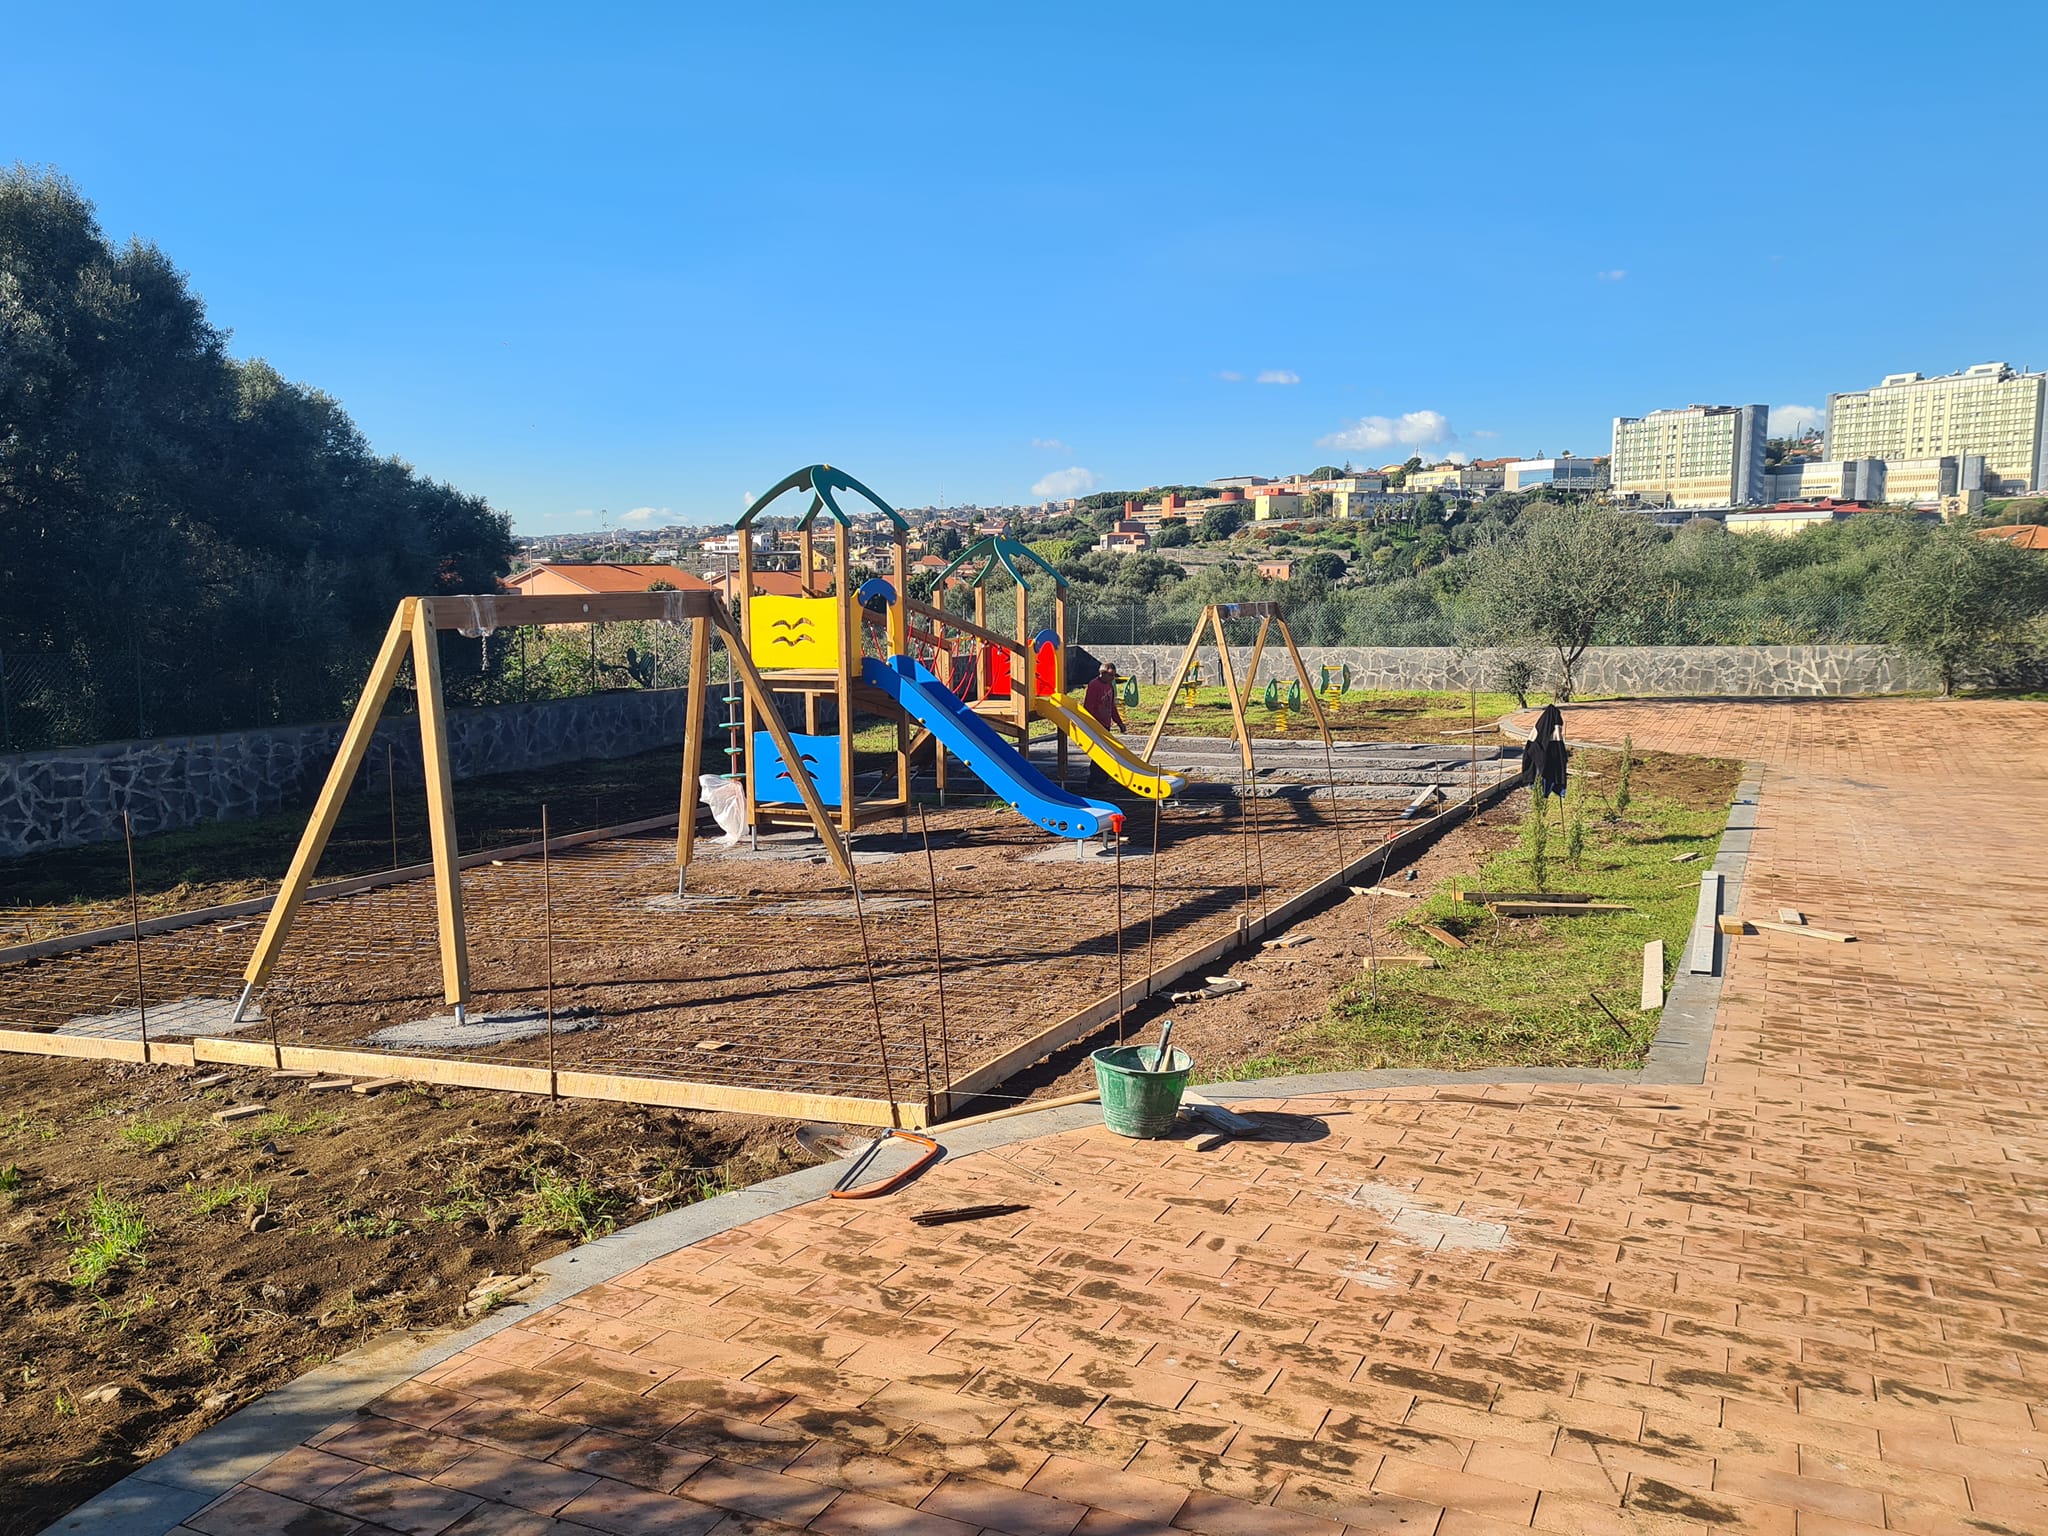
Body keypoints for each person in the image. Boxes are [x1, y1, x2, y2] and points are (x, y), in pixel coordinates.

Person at [1080, 663, 1126, 790]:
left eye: (1114, 675)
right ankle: (1095, 780)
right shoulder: (1094, 685)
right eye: (1110, 675)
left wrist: (1119, 722)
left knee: (1106, 751)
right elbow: (1088, 706)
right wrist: (1090, 724)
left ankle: (1101, 779)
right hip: (1096, 725)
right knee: (1099, 752)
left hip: (1105, 724)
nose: (1113, 678)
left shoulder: (1109, 686)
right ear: (1103, 673)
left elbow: (1112, 706)